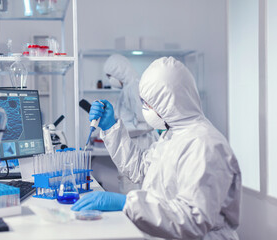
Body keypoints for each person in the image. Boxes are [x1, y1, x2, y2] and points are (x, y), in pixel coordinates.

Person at [72, 57, 242, 239]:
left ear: (169, 102)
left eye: (148, 103)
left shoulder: (204, 145)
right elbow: (140, 168)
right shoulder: (171, 136)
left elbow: (192, 220)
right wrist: (111, 128)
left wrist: (127, 203)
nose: (144, 109)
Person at [103, 54, 159, 194]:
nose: (110, 80)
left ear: (119, 72)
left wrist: (119, 129)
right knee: (127, 183)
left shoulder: (134, 87)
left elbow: (146, 123)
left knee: (133, 188)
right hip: (131, 143)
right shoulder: (126, 89)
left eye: (110, 75)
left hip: (141, 144)